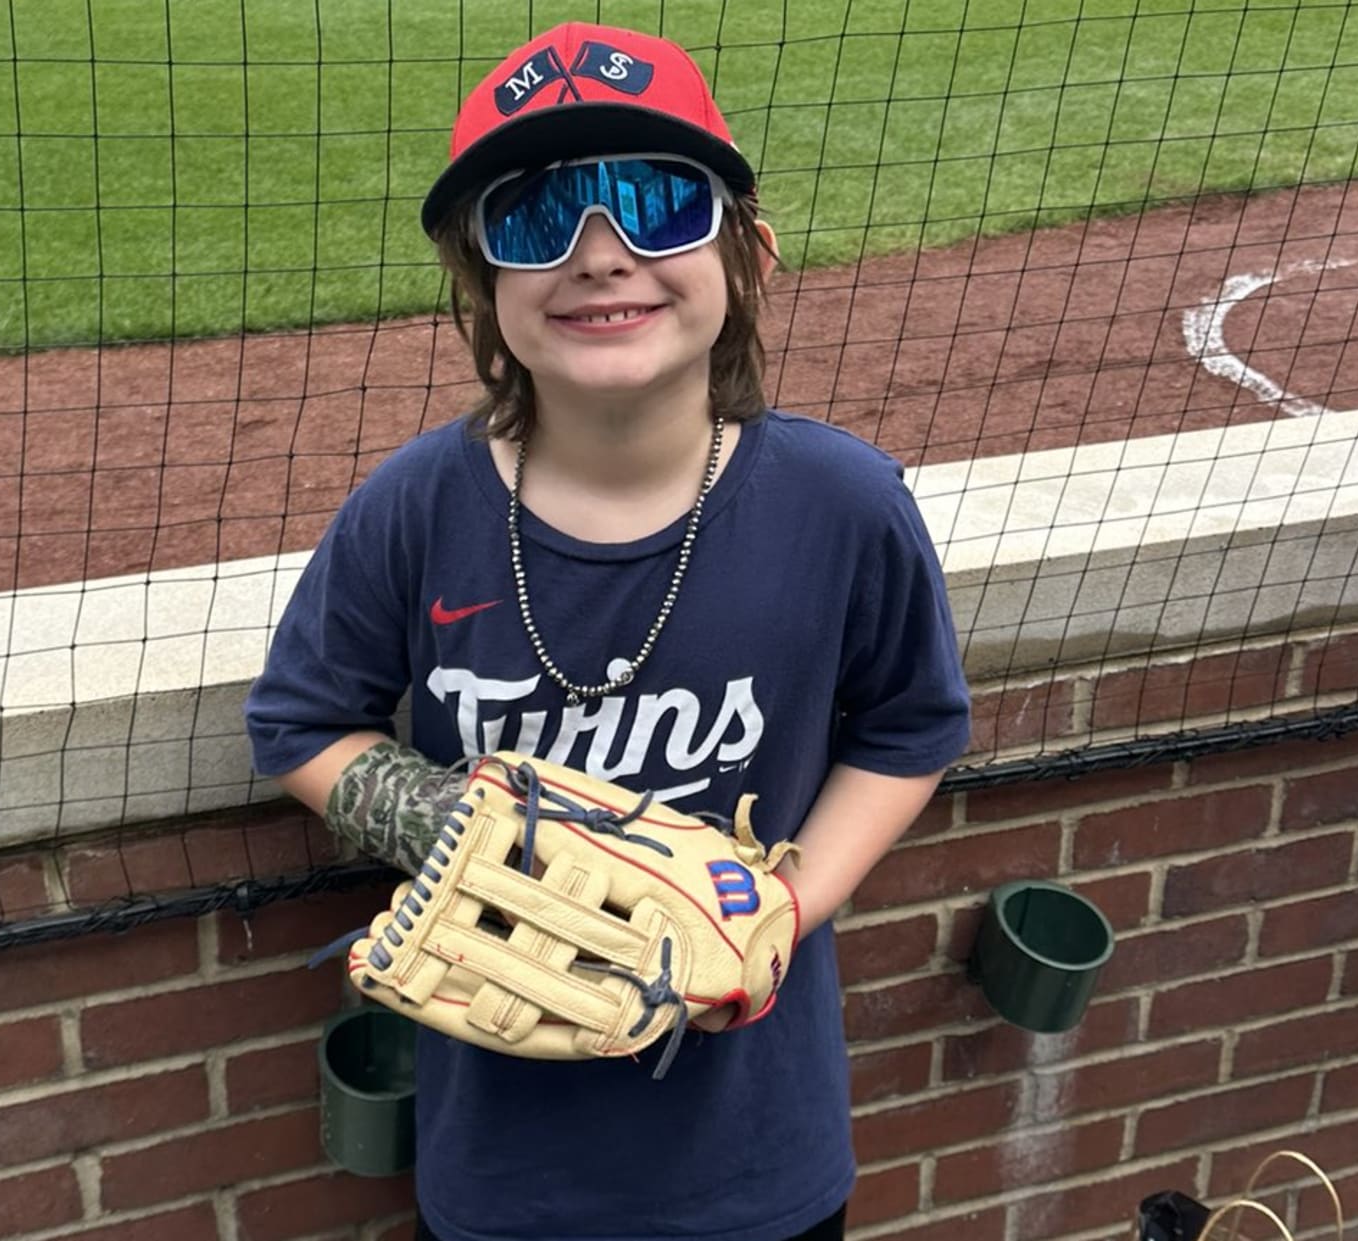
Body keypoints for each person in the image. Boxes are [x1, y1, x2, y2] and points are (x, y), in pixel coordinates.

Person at [244, 22, 971, 1241]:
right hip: (507, 1167)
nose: (600, 255)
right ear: (481, 283)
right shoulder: (413, 510)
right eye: (532, 218)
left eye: (654, 201)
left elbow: (909, 726)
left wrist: (781, 916)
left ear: (748, 251)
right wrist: (463, 829)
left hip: (756, 1157)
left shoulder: (840, 505)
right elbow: (302, 719)